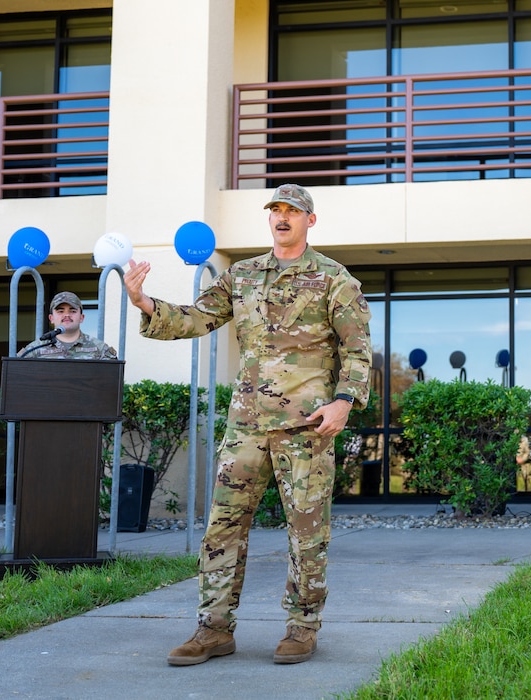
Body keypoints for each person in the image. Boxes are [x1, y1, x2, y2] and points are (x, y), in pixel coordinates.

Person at [123, 184, 372, 666]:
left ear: (309, 221)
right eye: (276, 210)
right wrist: (145, 303)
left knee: (306, 530)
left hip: (306, 427)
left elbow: (357, 349)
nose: (283, 218)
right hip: (246, 426)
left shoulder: (334, 279)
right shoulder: (242, 276)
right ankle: (214, 629)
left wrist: (345, 401)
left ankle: (302, 628)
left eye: (292, 211)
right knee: (223, 526)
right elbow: (196, 318)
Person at [17, 291, 118, 359]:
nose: (67, 315)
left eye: (72, 311)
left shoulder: (100, 349)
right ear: (51, 318)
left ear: (82, 317)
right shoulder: (35, 349)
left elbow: (112, 383)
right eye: (60, 311)